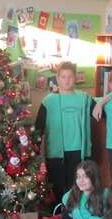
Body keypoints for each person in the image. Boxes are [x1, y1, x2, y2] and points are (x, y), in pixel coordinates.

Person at [35, 61, 94, 203]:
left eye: (70, 77)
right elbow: (38, 128)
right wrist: (34, 152)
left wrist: (106, 100)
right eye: (63, 77)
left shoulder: (84, 98)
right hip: (56, 154)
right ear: (57, 78)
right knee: (57, 191)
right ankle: (59, 216)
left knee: (79, 190)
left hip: (79, 152)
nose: (67, 80)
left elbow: (102, 111)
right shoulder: (48, 101)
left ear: (75, 78)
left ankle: (76, 215)